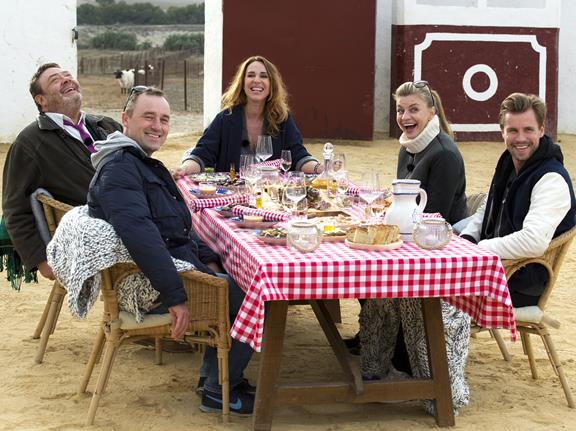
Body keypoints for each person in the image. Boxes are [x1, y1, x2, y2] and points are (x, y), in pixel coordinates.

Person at [87, 87, 254, 416]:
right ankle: (221, 389)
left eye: (164, 119)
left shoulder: (135, 161)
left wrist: (209, 257)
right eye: (148, 117)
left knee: (234, 272)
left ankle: (216, 379)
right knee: (254, 294)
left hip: (171, 267)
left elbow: (178, 227)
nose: (158, 126)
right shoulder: (120, 170)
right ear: (125, 120)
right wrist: (176, 296)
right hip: (150, 285)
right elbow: (142, 238)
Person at [359, 81, 471, 416]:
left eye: (413, 110)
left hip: (439, 252)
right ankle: (379, 355)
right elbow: (400, 202)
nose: (405, 116)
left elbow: (433, 217)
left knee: (374, 273)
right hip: (407, 241)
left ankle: (403, 363)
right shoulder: (407, 147)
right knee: (367, 271)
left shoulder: (445, 154)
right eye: (400, 110)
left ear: (432, 112)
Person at [2, 63, 122, 281]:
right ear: (42, 100)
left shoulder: (106, 125)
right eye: (55, 79)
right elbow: (14, 208)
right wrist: (40, 260)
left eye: (68, 75)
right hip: (101, 237)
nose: (66, 79)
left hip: (135, 217)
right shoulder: (29, 144)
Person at [460, 92, 576, 307]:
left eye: (528, 130)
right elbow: (488, 206)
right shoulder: (509, 163)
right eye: (513, 130)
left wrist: (479, 250)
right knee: (415, 288)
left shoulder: (551, 179)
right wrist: (466, 240)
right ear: (502, 132)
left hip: (518, 283)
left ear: (542, 130)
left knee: (428, 294)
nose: (520, 138)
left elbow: (533, 241)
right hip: (492, 270)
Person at [173, 55, 320, 176]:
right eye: (250, 75)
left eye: (264, 76)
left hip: (271, 197)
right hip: (231, 197)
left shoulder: (282, 119)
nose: (257, 80)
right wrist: (184, 169)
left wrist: (320, 169)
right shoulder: (225, 119)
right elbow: (202, 155)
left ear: (271, 84)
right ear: (243, 83)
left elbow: (298, 155)